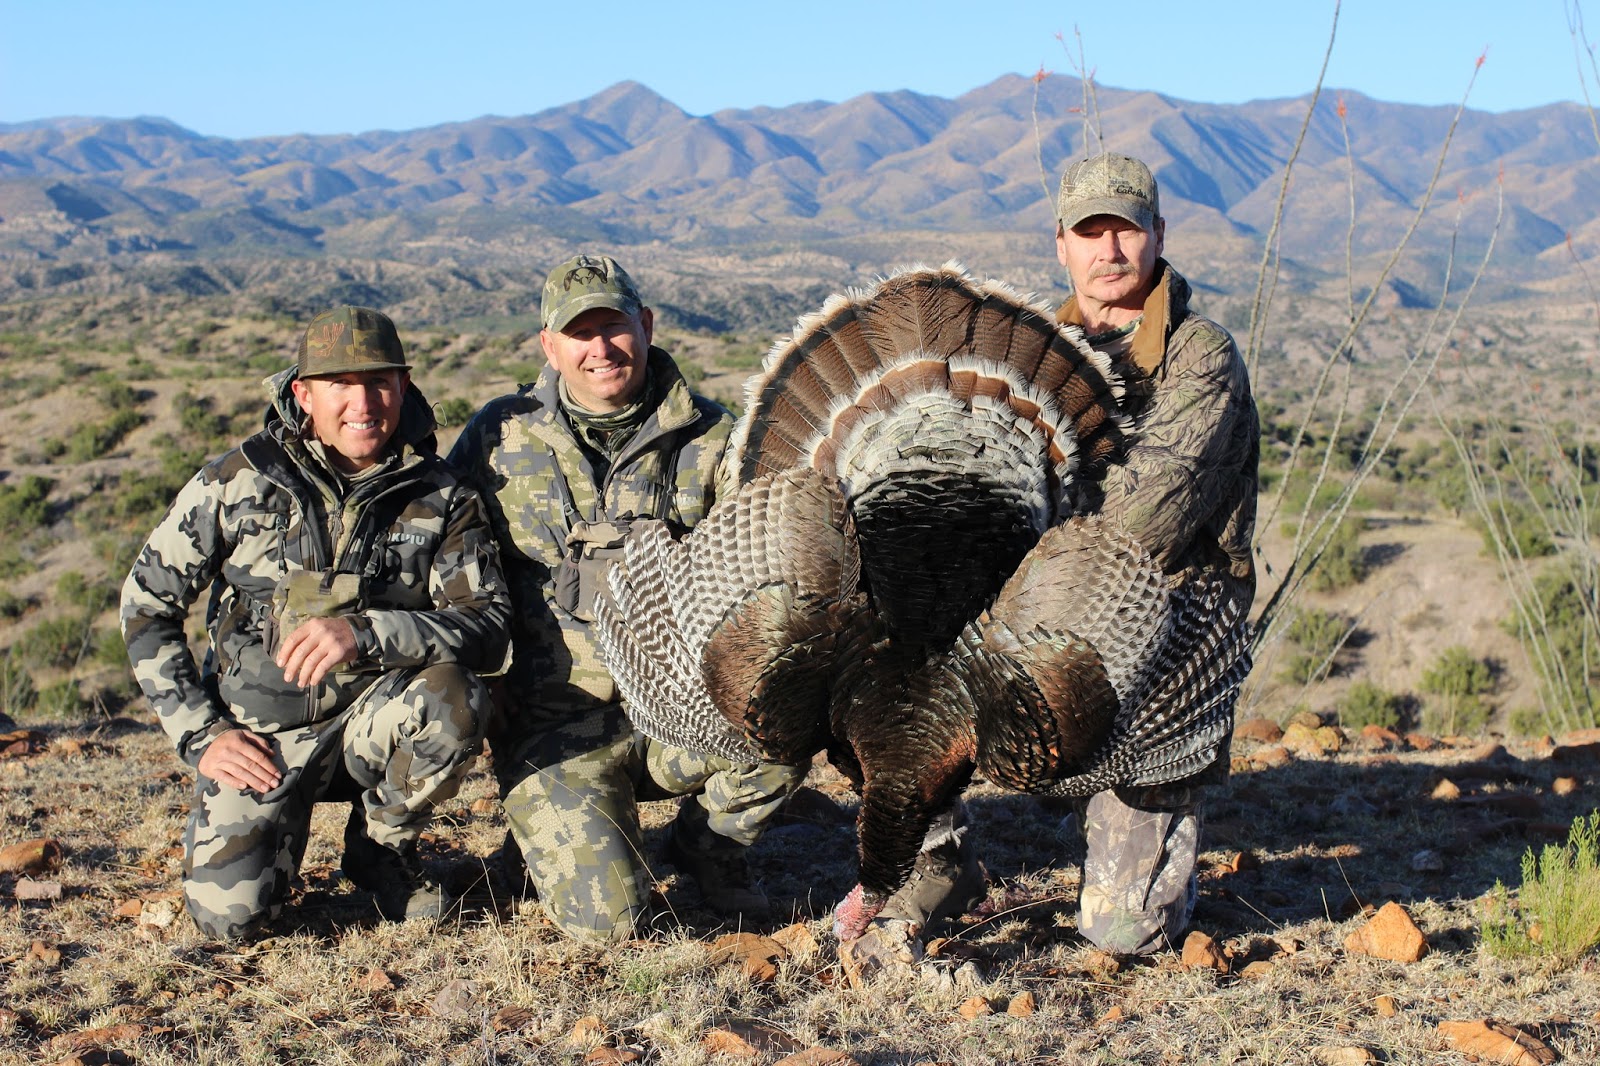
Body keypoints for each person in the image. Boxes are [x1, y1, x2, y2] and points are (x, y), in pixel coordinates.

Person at [876, 152, 1259, 956]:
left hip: (1167, 639)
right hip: (1037, 613)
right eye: (1090, 231)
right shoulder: (1026, 354)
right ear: (1062, 244)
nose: (1108, 249)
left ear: (1158, 235)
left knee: (1121, 934)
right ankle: (940, 859)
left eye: (1125, 229)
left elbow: (1140, 525)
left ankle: (1139, 825)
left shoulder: (1202, 356)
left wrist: (995, 572)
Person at [121, 305, 513, 941]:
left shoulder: (443, 495)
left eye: (381, 382)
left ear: (405, 386)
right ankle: (271, 834)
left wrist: (367, 631)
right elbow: (146, 603)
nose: (364, 402)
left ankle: (382, 848)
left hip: (376, 724)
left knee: (458, 698)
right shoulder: (236, 481)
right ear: (303, 393)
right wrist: (203, 736)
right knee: (232, 922)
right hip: (258, 740)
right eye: (341, 384)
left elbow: (487, 623)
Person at [448, 253, 806, 942]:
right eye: (580, 334)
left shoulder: (715, 438)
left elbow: (766, 581)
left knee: (786, 722)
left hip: (683, 717)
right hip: (558, 729)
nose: (601, 349)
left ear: (645, 325)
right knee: (614, 925)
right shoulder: (496, 437)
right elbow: (450, 567)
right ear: (550, 346)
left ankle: (709, 850)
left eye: (615, 327)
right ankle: (547, 834)